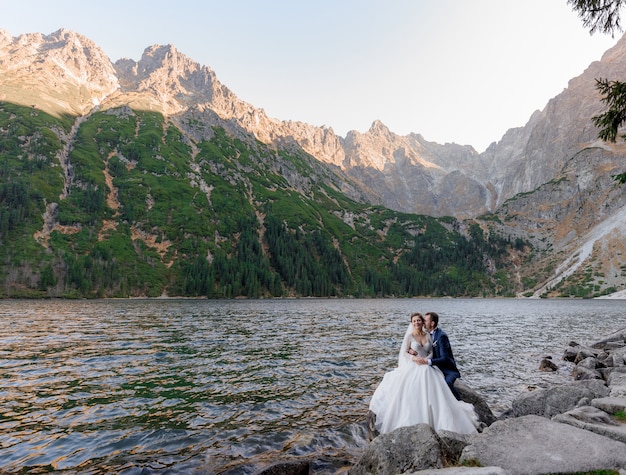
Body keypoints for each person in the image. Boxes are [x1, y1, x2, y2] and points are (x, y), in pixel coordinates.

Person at [368, 312, 478, 435]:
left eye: (420, 320)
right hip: (414, 364)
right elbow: (404, 352)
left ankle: (444, 413)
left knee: (433, 379)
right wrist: (414, 358)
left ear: (426, 322)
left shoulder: (431, 336)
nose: (418, 323)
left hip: (428, 364)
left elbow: (431, 351)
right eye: (414, 321)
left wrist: (426, 360)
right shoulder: (409, 336)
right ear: (412, 323)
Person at [414, 311, 461, 400]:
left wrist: (427, 361)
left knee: (447, 384)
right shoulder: (425, 334)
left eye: (425, 320)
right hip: (434, 367)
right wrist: (412, 350)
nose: (423, 322)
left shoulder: (441, 336)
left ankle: (460, 402)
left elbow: (445, 358)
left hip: (446, 369)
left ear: (432, 323)